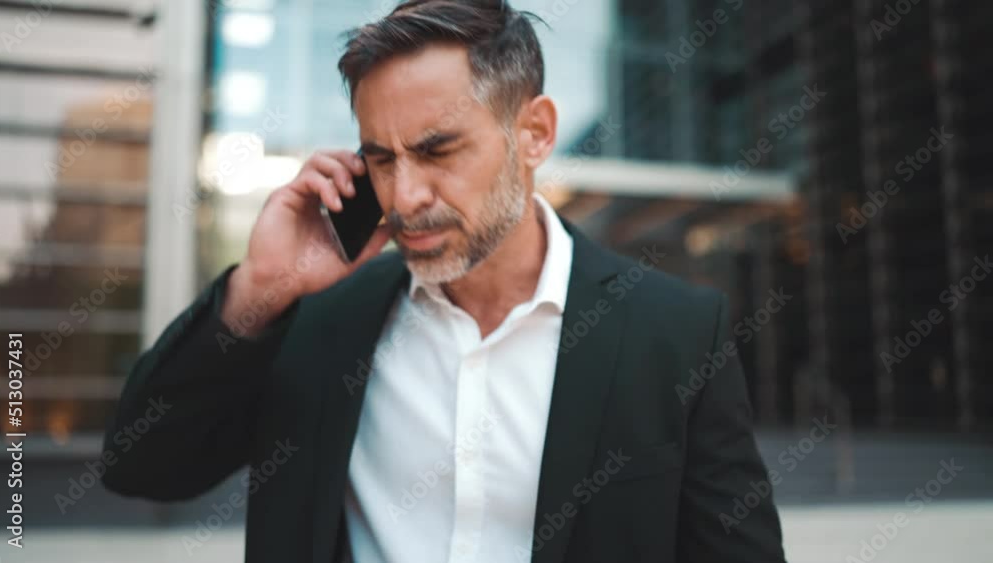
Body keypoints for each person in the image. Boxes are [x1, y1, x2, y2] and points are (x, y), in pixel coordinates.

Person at [101, 1, 787, 562]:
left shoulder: (674, 333)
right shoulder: (319, 320)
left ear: (535, 133)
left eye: (437, 150)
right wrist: (260, 289)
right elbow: (143, 467)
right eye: (380, 158)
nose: (403, 195)